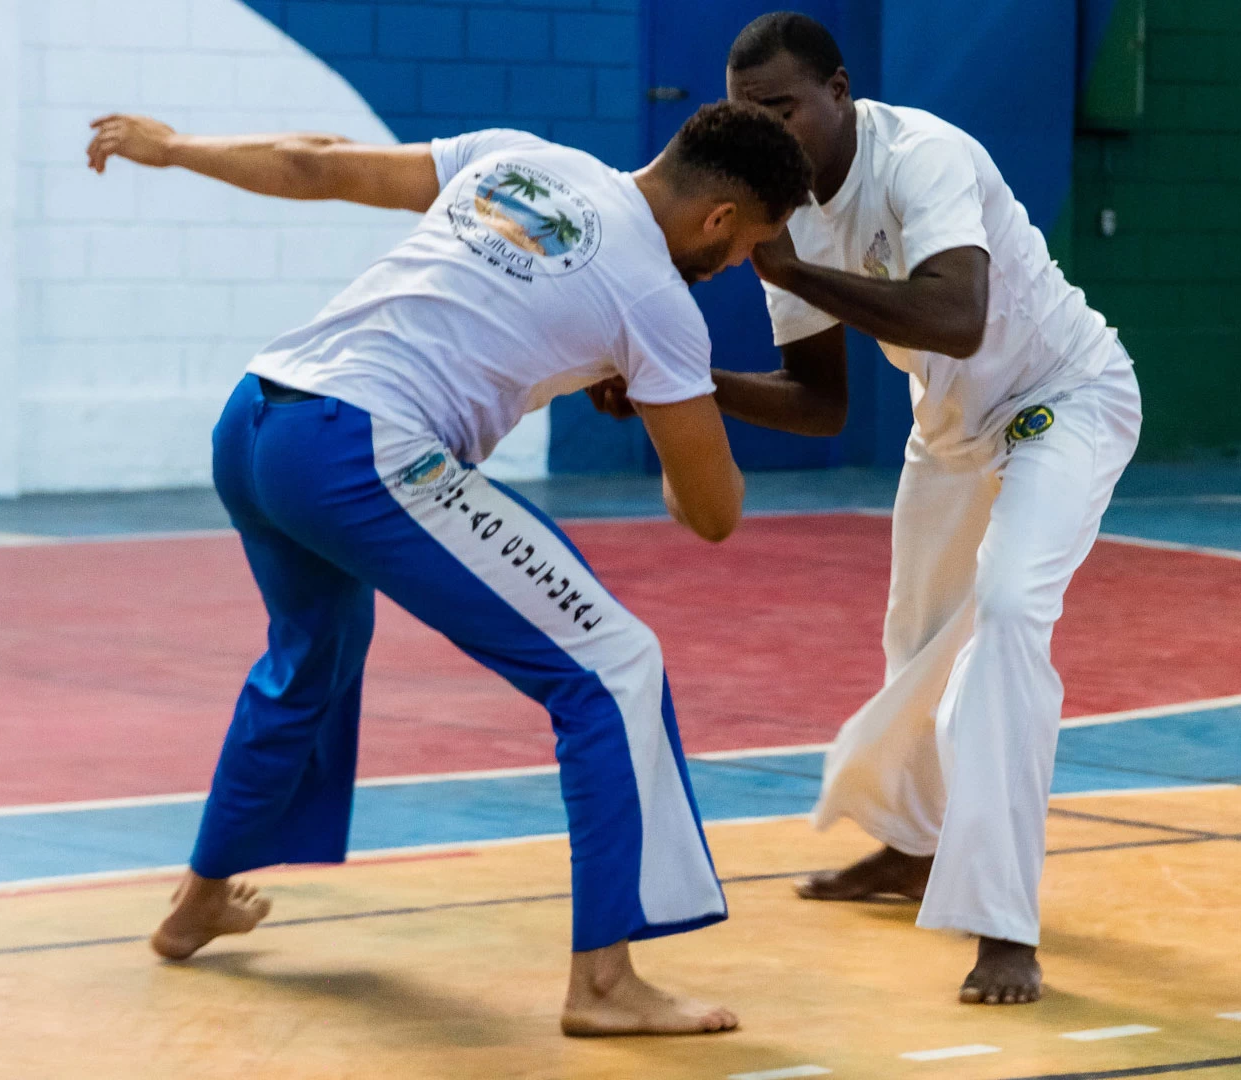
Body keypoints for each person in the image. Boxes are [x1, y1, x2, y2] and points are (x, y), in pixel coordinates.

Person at [85, 100, 813, 1036]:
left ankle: (199, 901)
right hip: (359, 448)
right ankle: (604, 985)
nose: (742, 262)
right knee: (613, 663)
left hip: (259, 416)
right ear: (719, 218)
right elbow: (712, 514)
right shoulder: (657, 303)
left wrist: (173, 147)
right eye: (749, 245)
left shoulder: (519, 155)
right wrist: (660, 406)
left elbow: (316, 162)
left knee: (313, 653)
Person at [590, 13, 1142, 1006]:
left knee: (1007, 618)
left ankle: (1003, 924)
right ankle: (915, 848)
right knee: (914, 639)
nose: (769, 128)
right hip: (951, 428)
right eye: (749, 112)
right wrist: (680, 384)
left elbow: (958, 319)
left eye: (784, 107)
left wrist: (799, 272)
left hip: (1064, 401)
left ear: (838, 91)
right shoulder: (784, 212)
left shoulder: (923, 157)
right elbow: (821, 402)